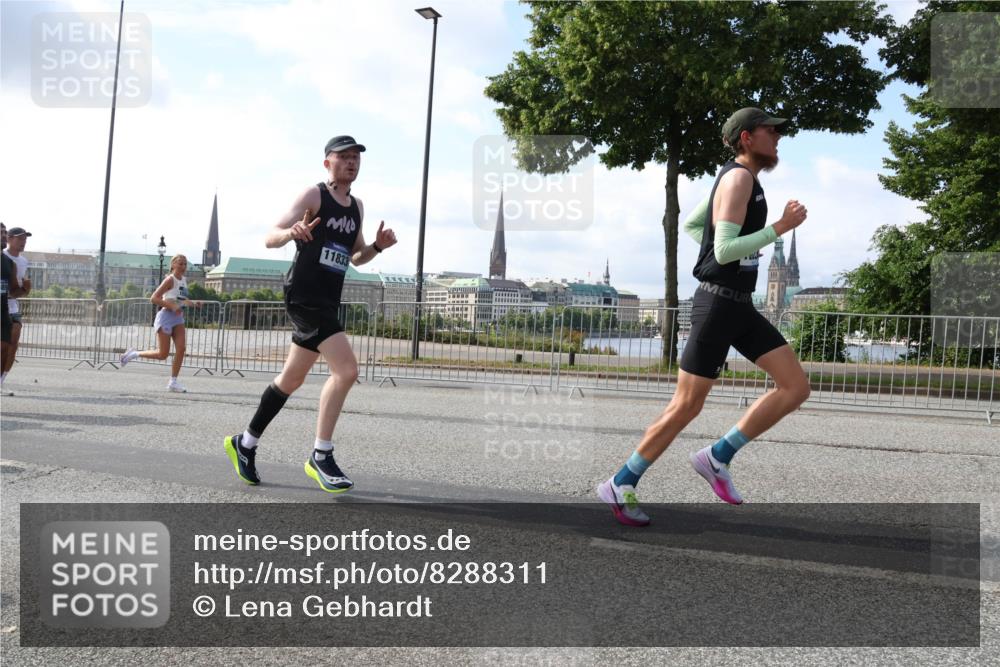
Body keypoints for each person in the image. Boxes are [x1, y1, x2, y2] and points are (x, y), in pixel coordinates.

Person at [597, 108, 810, 526]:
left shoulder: (743, 179)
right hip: (717, 305)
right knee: (686, 406)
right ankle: (621, 482)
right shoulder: (737, 179)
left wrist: (735, 246)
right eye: (771, 131)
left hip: (739, 305)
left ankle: (718, 456)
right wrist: (779, 227)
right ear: (747, 138)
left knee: (795, 386)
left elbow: (698, 226)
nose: (778, 137)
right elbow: (724, 251)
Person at [224, 135, 397, 493]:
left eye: (356, 158)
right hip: (304, 296)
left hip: (328, 300)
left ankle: (245, 443)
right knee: (347, 370)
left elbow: (355, 256)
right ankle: (321, 454)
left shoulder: (356, 207)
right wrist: (292, 232)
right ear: (327, 163)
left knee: (291, 380)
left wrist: (377, 247)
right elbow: (270, 236)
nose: (352, 162)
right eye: (344, 157)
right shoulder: (313, 196)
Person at [119, 254, 202, 392]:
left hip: (178, 318)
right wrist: (172, 306)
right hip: (165, 317)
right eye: (180, 263)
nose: (183, 266)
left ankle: (173, 382)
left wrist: (194, 303)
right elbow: (154, 298)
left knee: (181, 349)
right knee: (163, 354)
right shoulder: (170, 279)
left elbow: (181, 299)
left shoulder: (183, 280)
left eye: (185, 264)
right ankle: (133, 354)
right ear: (173, 264)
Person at [2, 226, 32, 387]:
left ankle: (2, 379)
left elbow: (16, 290)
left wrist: (25, 290)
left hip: (12, 307)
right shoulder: (3, 257)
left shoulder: (23, 261)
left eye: (25, 239)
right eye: (20, 238)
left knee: (13, 345)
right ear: (9, 239)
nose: (23, 242)